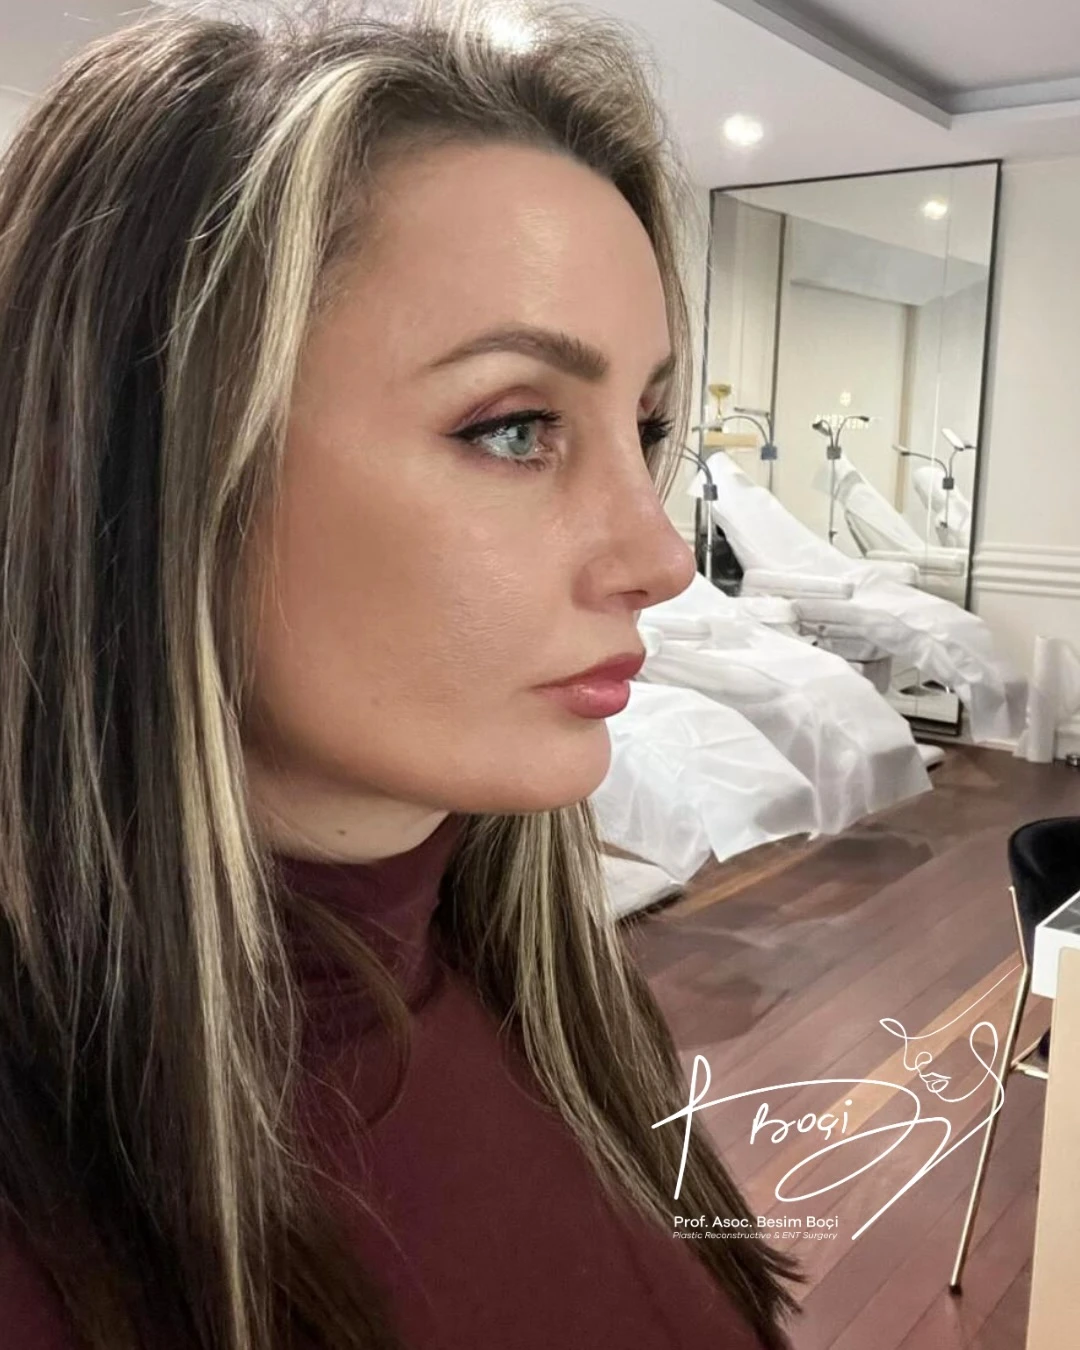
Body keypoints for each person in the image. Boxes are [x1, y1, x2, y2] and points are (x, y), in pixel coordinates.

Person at [0, 1, 803, 1347]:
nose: (663, 558)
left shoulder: (562, 1010)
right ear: (149, 466)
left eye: (647, 428)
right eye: (515, 427)